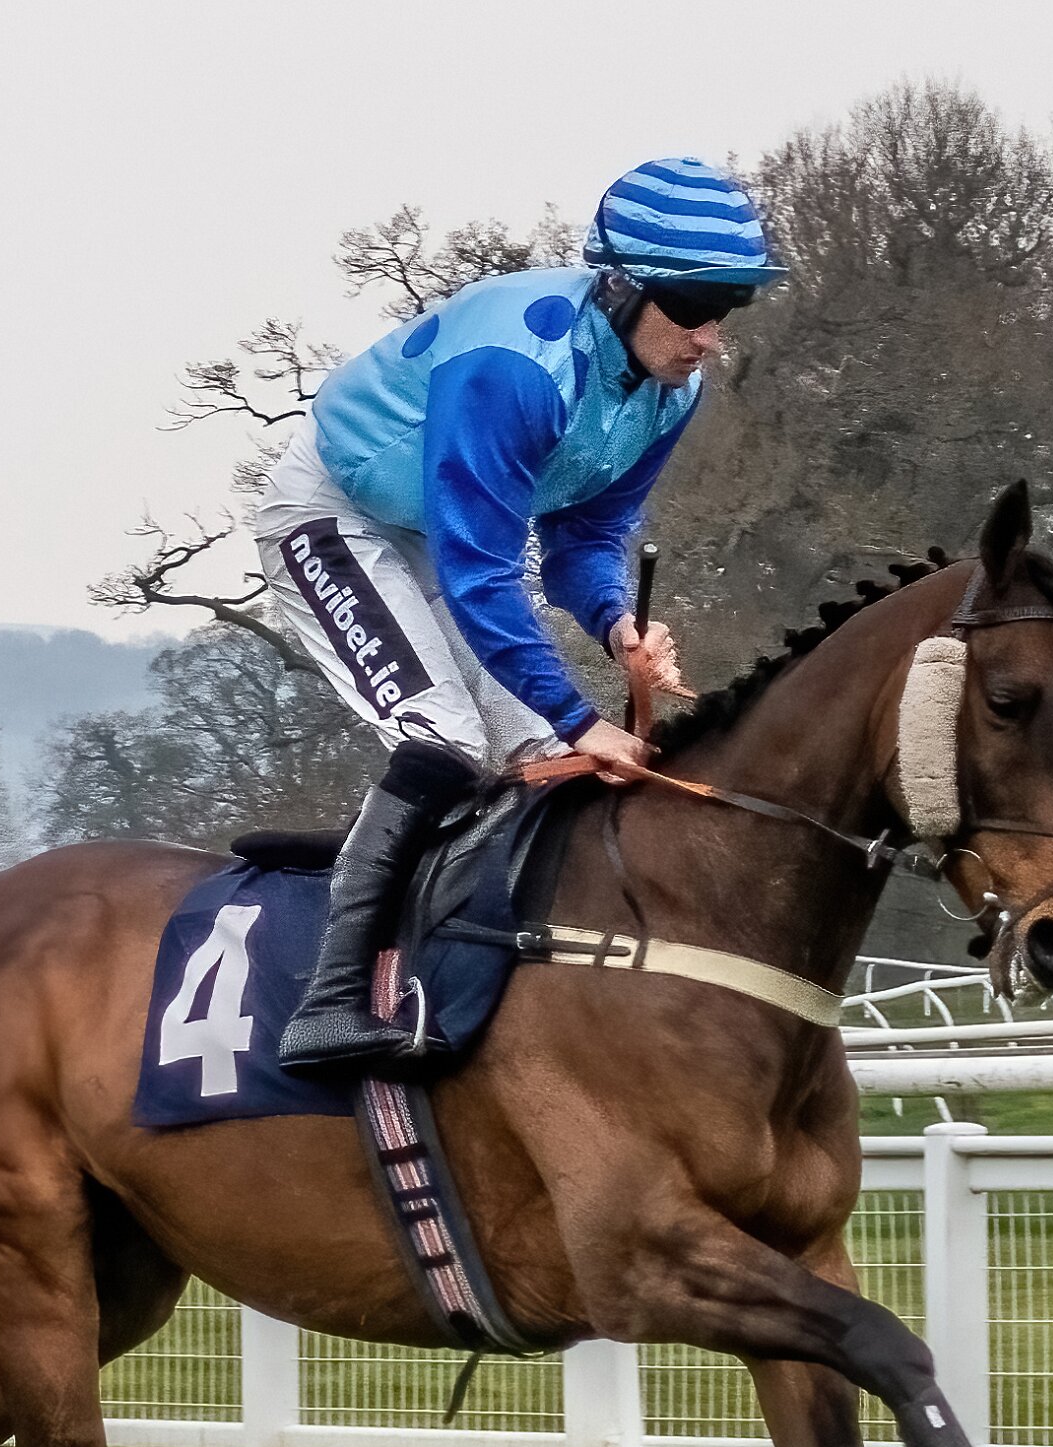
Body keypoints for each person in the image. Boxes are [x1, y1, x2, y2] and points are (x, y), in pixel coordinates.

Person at [256, 156, 789, 1073]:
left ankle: (495, 984)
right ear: (619, 287)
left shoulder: (671, 390)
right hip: (335, 514)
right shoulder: (515, 369)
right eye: (693, 306)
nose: (708, 337)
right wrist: (584, 715)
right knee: (446, 737)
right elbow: (482, 571)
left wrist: (617, 625)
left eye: (726, 310)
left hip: (438, 538)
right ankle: (327, 1003)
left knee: (541, 759)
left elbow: (585, 537)